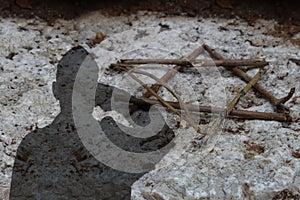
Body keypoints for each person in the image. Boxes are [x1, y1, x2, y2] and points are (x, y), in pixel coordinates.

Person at [10, 46, 174, 199]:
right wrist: (118, 98)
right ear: (95, 92)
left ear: (55, 90)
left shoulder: (32, 143)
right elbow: (163, 135)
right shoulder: (112, 139)